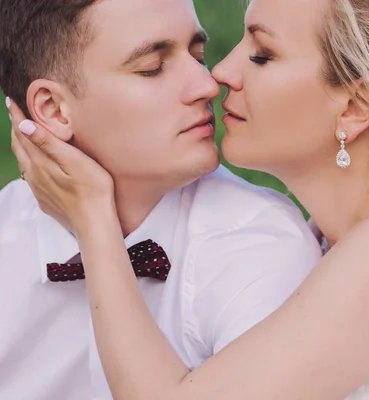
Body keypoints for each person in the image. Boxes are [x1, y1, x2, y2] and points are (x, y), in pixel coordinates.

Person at [8, 0, 369, 398]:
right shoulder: (344, 233)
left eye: (262, 55)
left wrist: (92, 219)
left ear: (356, 105)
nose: (221, 74)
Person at [0, 1, 321, 399]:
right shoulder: (7, 234)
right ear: (53, 110)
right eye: (152, 66)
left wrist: (95, 223)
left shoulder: (259, 244)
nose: (207, 84)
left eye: (197, 55)